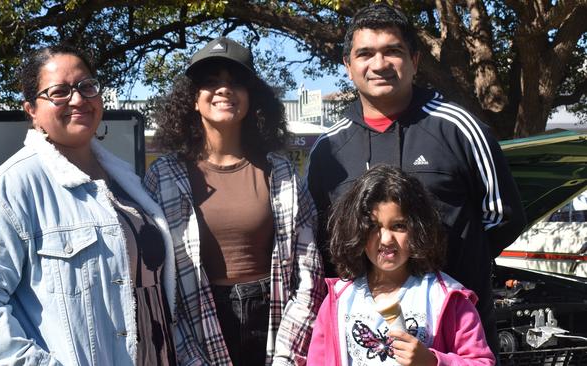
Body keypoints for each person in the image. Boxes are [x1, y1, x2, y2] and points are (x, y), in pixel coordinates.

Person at [306, 3, 526, 357]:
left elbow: (503, 218)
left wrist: (442, 275)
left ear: (415, 60)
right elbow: (323, 245)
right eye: (365, 54)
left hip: (456, 341)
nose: (378, 64)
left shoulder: (460, 129)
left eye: (392, 51)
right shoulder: (327, 151)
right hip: (361, 342)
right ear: (347, 65)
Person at [0, 45, 177, 365]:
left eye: (86, 87)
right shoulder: (8, 190)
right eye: (59, 91)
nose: (78, 99)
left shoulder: (127, 180)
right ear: (31, 110)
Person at [144, 37, 325, 365]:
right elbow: (155, 278)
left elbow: (308, 268)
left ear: (251, 98)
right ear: (192, 100)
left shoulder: (280, 172)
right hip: (196, 323)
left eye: (236, 83)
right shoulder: (163, 175)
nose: (224, 90)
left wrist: (287, 354)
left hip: (273, 319)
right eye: (210, 83)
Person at [308, 164, 496, 366]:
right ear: (356, 230)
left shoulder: (447, 297)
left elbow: (481, 362)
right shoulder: (340, 299)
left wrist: (432, 361)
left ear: (418, 228)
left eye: (399, 226)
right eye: (373, 227)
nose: (386, 239)